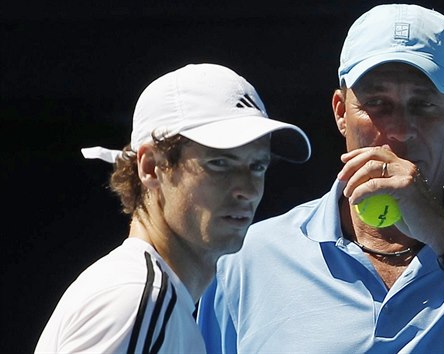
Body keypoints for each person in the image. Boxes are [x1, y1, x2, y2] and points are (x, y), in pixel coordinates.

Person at [198, 4, 444, 354]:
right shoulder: (248, 258)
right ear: (341, 112)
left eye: (422, 105)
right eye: (377, 104)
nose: (399, 131)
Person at [34, 63, 311, 353]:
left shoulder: (147, 297)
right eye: (219, 163)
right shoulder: (139, 300)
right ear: (151, 167)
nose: (248, 190)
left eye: (257, 166)